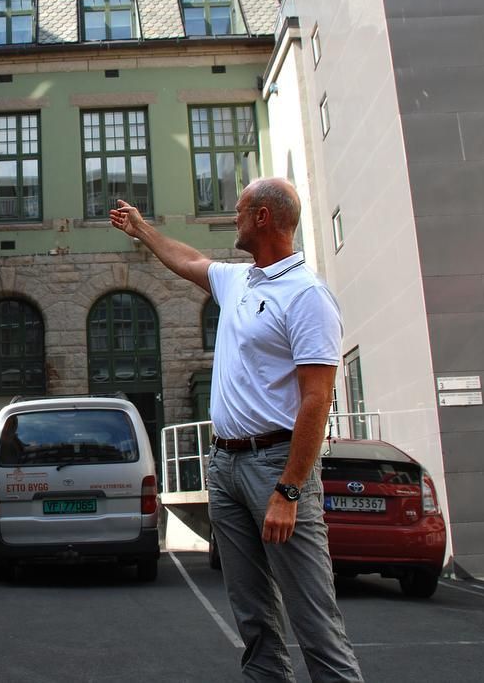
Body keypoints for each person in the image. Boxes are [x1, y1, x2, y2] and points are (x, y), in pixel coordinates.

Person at [110, 178, 363, 682]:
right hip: (225, 466)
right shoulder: (240, 281)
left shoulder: (307, 295)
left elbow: (317, 399)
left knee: (314, 622)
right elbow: (188, 261)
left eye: (241, 209)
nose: (234, 217)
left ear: (264, 217)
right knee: (254, 621)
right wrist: (142, 230)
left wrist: (289, 490)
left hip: (276, 469)